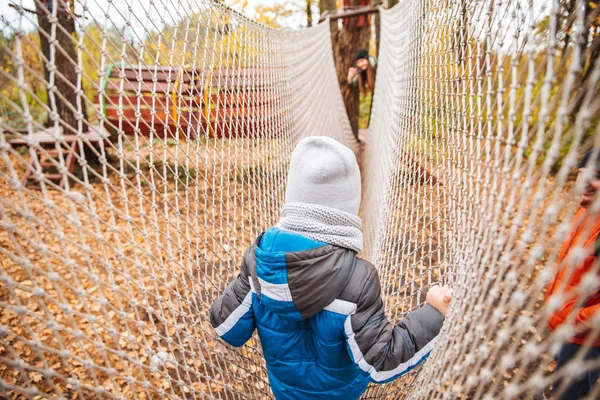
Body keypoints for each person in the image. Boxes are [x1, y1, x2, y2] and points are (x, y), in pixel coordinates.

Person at [210, 136, 452, 400]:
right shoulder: (358, 280)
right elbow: (381, 361)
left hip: (284, 392)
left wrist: (248, 276)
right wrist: (435, 312)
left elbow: (228, 328)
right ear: (347, 211)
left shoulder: (258, 263)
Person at [545, 150, 600, 399]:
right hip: (568, 326)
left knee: (571, 390)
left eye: (596, 176)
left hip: (587, 339)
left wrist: (577, 319)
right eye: (581, 174)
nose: (585, 183)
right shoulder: (586, 209)